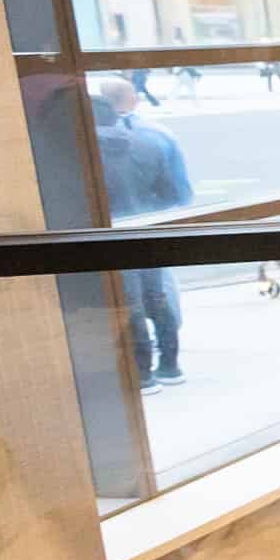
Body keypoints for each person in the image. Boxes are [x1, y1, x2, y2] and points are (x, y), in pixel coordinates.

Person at [94, 79, 195, 390]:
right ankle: (170, 364)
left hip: (111, 235)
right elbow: (176, 195)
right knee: (156, 297)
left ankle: (143, 373)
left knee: (129, 304)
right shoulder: (153, 139)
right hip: (149, 232)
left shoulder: (86, 151)